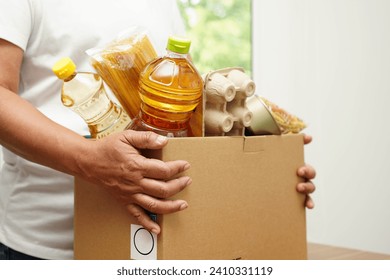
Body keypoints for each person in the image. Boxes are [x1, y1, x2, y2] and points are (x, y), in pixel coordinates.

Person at [0, 0, 316, 260]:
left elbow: (184, 113)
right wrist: (89, 160)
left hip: (157, 242)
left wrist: (266, 173)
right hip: (46, 246)